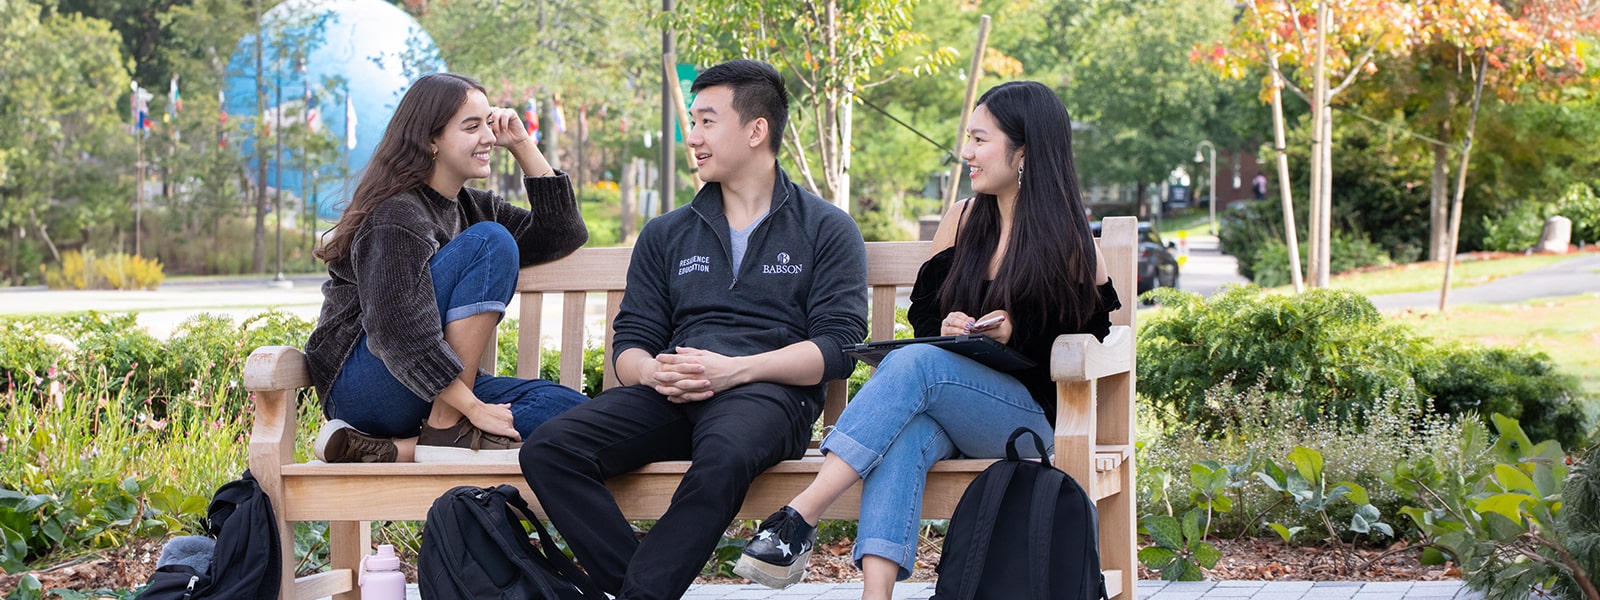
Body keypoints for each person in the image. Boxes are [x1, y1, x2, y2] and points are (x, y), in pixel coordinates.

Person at [733, 80, 1121, 597]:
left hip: (1030, 421)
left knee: (917, 365)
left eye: (981, 140)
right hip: (950, 406)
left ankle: (800, 516)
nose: (968, 153)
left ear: (1023, 151)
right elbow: (925, 314)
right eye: (969, 138)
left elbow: (1093, 330)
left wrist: (1017, 330)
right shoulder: (962, 220)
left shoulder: (1067, 236)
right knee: (905, 435)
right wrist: (948, 325)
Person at [519, 59, 868, 600]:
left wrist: (736, 371)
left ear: (757, 130)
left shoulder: (825, 227)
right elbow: (631, 342)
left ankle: (641, 592)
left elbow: (840, 346)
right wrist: (654, 370)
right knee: (551, 448)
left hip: (769, 394)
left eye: (707, 121)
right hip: (675, 391)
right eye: (692, 121)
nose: (693, 136)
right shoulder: (667, 234)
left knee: (724, 455)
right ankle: (644, 589)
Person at [304, 73, 590, 464]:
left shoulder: (471, 205)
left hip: (430, 387)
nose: (489, 137)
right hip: (364, 383)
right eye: (472, 127)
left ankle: (403, 449)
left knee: (570, 408)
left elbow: (562, 233)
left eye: (488, 124)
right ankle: (444, 430)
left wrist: (523, 145)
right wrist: (470, 407)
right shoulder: (397, 213)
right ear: (430, 140)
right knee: (493, 241)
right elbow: (395, 334)